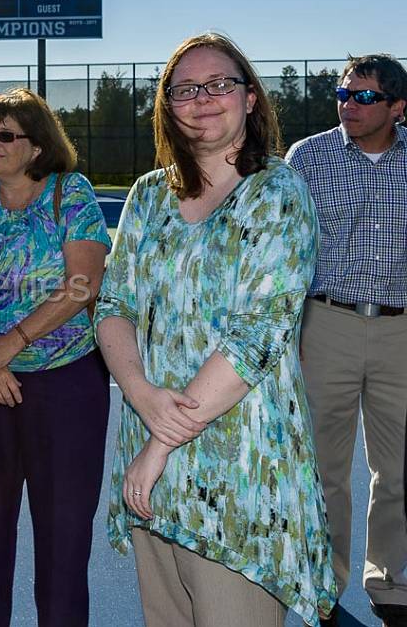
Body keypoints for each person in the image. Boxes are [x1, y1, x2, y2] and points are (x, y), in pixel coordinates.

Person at [94, 33, 338, 627]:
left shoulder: (278, 193)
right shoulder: (149, 196)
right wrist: (142, 395)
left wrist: (159, 441)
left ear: (250, 98)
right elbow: (111, 305)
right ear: (167, 106)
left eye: (220, 84)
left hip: (241, 473)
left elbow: (256, 336)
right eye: (185, 89)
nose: (203, 98)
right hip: (153, 464)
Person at [0, 88, 112, 626]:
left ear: (37, 146)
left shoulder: (71, 193)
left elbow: (83, 282)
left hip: (65, 387)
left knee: (64, 531)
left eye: (5, 135)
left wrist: (10, 344)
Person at [286, 54, 407, 627]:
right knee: (321, 468)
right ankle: (322, 588)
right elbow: (287, 249)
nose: (348, 105)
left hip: (402, 329)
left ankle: (392, 583)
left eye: (364, 97)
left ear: (398, 107)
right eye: (343, 93)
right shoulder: (307, 157)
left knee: (399, 467)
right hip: (326, 323)